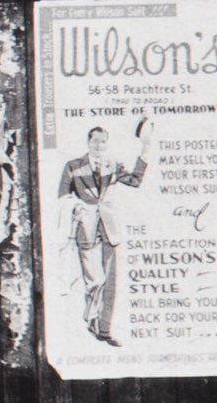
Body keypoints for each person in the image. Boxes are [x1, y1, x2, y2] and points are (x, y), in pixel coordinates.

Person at [57, 117, 150, 346]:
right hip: (85, 227)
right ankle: (91, 317)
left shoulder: (113, 164)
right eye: (96, 141)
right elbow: (63, 195)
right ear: (88, 142)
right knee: (95, 280)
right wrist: (76, 206)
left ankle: (105, 330)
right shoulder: (73, 166)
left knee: (110, 281)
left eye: (103, 142)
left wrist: (145, 149)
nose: (99, 145)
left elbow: (135, 181)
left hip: (109, 227)